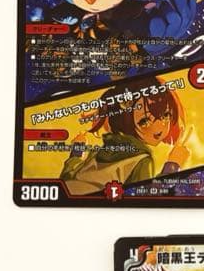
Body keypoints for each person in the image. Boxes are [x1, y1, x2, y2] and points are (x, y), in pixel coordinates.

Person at [61, 81, 190, 194]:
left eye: (165, 115)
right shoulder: (140, 160)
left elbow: (67, 180)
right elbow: (145, 198)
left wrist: (77, 151)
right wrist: (173, 165)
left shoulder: (99, 152)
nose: (158, 128)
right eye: (144, 121)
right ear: (125, 123)